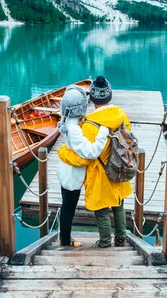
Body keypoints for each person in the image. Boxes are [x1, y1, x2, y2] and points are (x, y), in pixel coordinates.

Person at [58, 76, 133, 248]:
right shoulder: (122, 117)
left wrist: (63, 153)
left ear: (91, 99)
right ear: (110, 95)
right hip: (120, 168)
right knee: (119, 205)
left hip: (100, 174)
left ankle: (105, 243)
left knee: (102, 211)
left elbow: (84, 157)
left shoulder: (89, 125)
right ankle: (121, 239)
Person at [57, 85, 110, 247]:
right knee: (68, 209)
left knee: (66, 206)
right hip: (72, 175)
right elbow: (90, 152)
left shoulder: (68, 121)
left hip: (65, 170)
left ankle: (64, 238)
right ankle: (65, 241)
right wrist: (103, 131)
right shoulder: (74, 129)